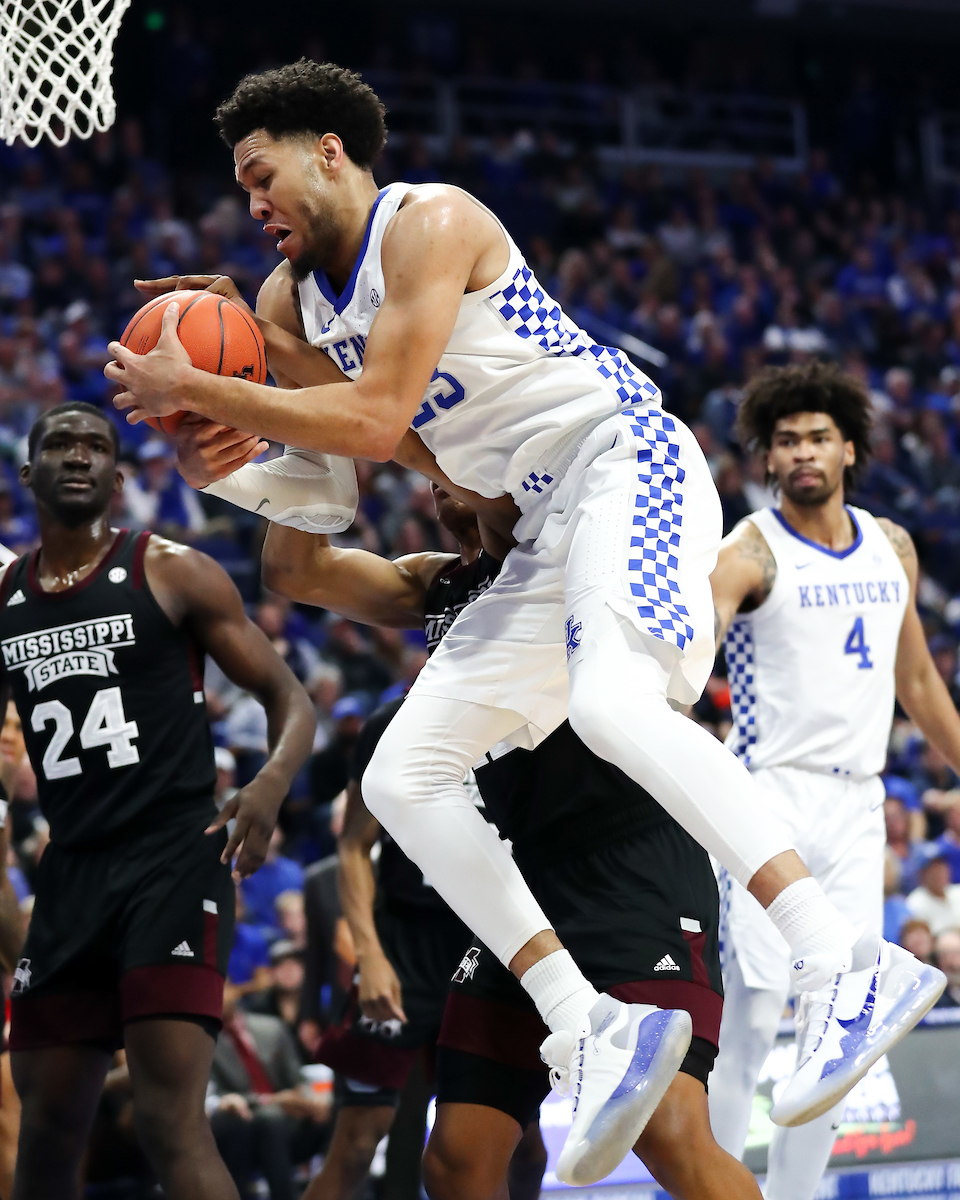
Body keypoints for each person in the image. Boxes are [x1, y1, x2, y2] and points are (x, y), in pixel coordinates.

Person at [107, 61, 919, 1180]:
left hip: (624, 460)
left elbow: (375, 413)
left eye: (261, 175)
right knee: (404, 777)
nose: (251, 203)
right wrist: (221, 462)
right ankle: (587, 1025)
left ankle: (841, 960)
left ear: (329, 153)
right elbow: (331, 498)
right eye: (241, 186)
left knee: (611, 703)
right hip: (541, 525)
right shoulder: (287, 307)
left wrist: (205, 391)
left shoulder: (431, 223)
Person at [2, 401, 317, 1200]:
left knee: (168, 1117)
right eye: (61, 444)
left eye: (96, 445)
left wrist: (268, 785)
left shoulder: (172, 569)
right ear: (28, 472)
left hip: (173, 859)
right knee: (46, 1127)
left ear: (118, 477)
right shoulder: (6, 597)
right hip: (70, 871)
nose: (79, 455)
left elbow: (290, 698)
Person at [707, 363, 950, 1200]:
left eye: (818, 438)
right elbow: (687, 657)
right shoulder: (746, 552)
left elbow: (917, 683)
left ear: (849, 449)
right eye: (786, 442)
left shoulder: (893, 546)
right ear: (767, 458)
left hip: (857, 805)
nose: (803, 453)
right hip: (766, 796)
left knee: (837, 1034)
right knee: (751, 1019)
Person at [209, 982, 331, 1200]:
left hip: (290, 1113)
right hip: (244, 1119)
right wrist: (273, 1101)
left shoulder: (271, 1027)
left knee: (335, 1111)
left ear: (234, 990)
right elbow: (215, 1094)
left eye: (223, 988)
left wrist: (310, 1099)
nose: (219, 996)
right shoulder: (206, 1042)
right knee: (270, 1119)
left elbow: (297, 1078)